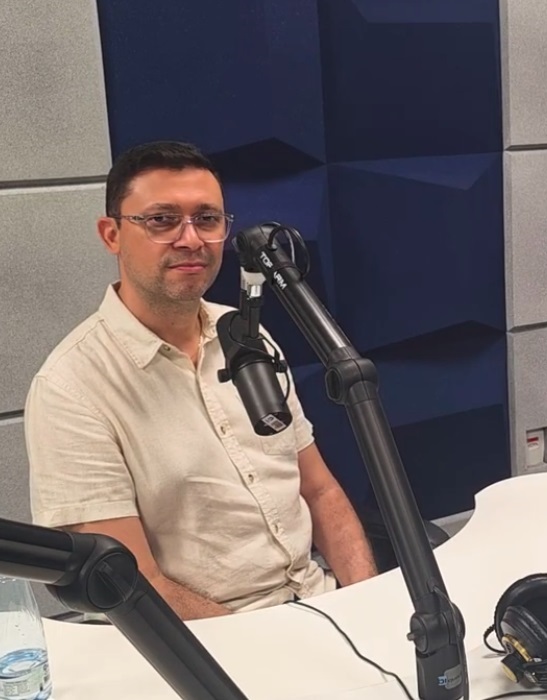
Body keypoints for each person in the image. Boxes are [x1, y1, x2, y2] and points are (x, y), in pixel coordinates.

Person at [24, 141, 379, 620]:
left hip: (321, 604)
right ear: (111, 234)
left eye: (207, 219)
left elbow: (320, 492)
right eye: (162, 220)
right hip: (210, 642)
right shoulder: (71, 389)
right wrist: (275, 649)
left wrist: (370, 605)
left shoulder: (247, 336)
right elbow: (132, 585)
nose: (190, 239)